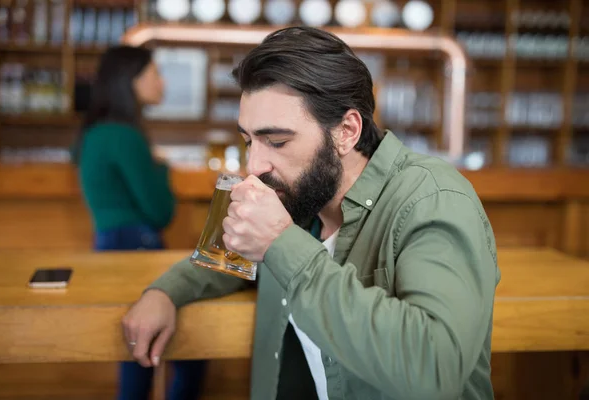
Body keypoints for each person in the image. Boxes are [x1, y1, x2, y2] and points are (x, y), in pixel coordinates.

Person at [122, 27, 500, 400]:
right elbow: (231, 257)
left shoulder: (433, 198)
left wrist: (281, 244)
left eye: (278, 141)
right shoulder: (301, 196)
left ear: (346, 131)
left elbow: (435, 369)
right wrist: (166, 292)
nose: (255, 164)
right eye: (248, 140)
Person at [73, 45, 206, 400]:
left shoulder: (95, 132)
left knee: (136, 353)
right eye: (154, 73)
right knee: (186, 354)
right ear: (129, 81)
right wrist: (160, 167)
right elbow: (160, 211)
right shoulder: (126, 136)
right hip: (138, 248)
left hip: (108, 247)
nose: (162, 81)